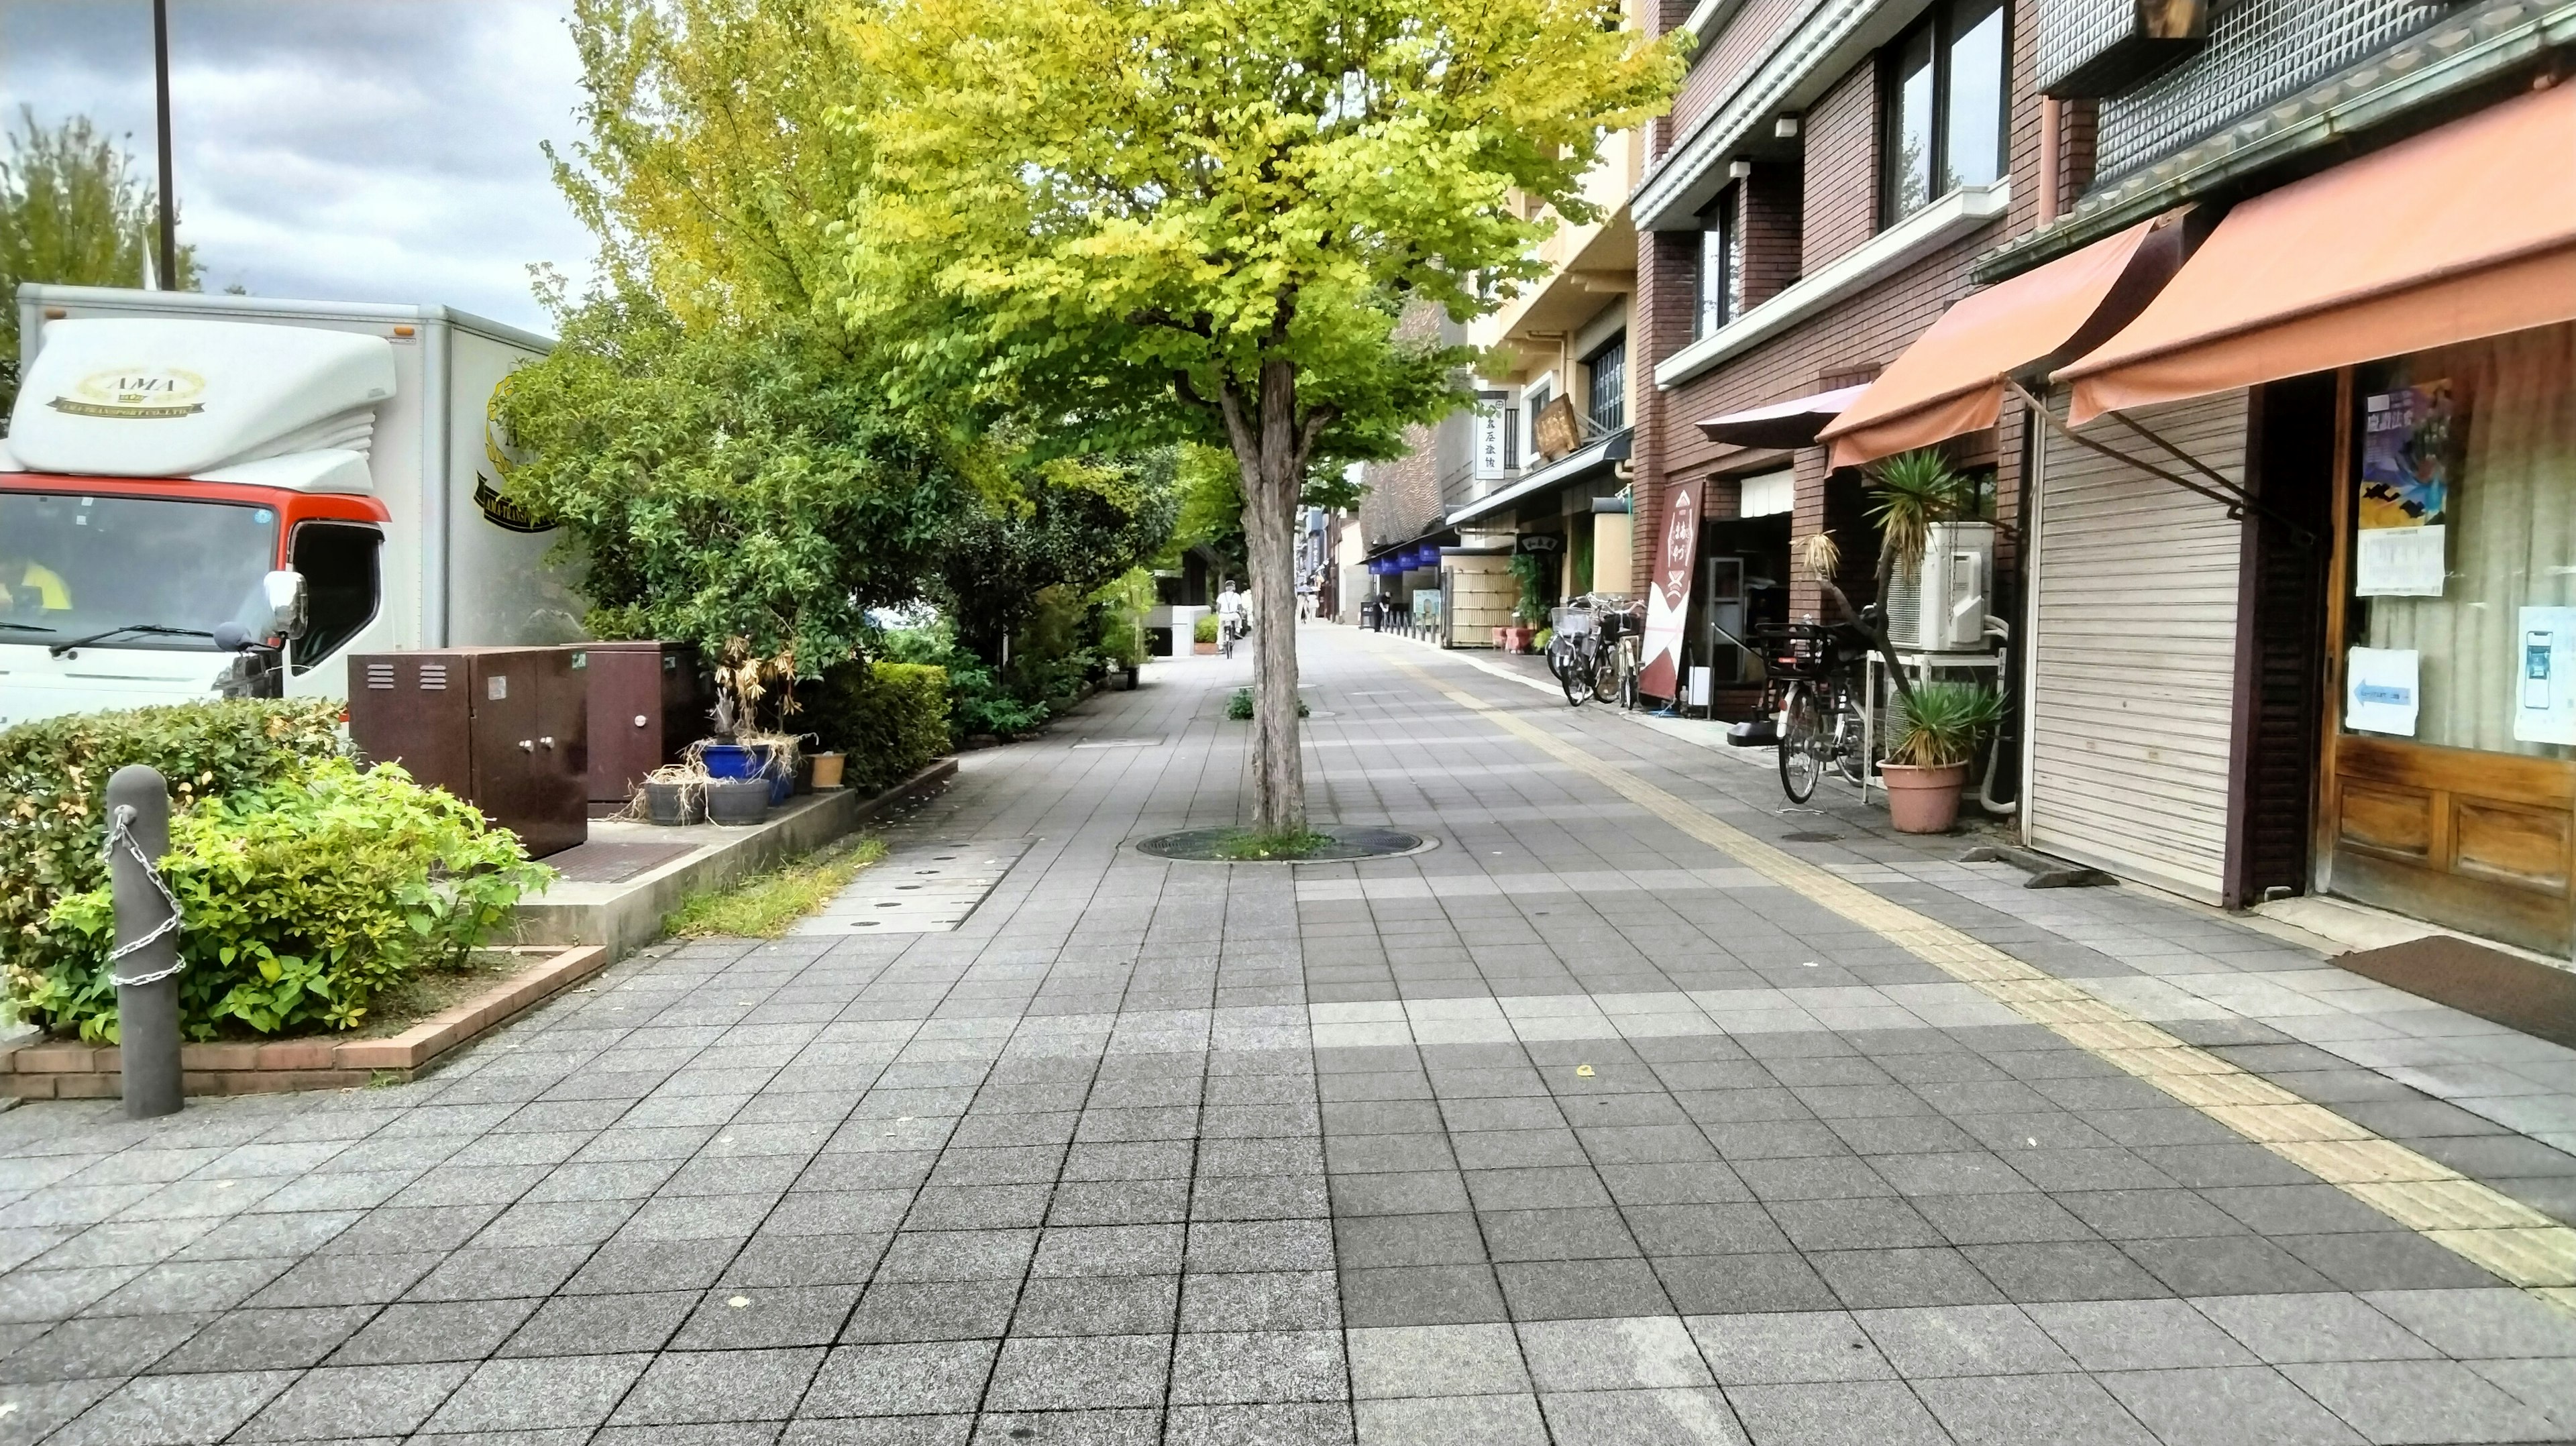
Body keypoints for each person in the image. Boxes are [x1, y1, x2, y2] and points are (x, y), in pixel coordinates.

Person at [0, 549, 70, 617]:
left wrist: (10, 608)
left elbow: (60, 620)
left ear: (17, 563)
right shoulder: (3, 581)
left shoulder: (47, 580)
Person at [1216, 579, 1250, 657]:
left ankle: (1220, 646)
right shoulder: (1237, 596)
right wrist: (1243, 611)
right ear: (1233, 587)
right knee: (1239, 618)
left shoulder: (1221, 596)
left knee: (1221, 630)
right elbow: (1240, 607)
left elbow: (1218, 607)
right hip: (1233, 615)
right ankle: (1237, 630)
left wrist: (1218, 612)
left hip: (1223, 615)